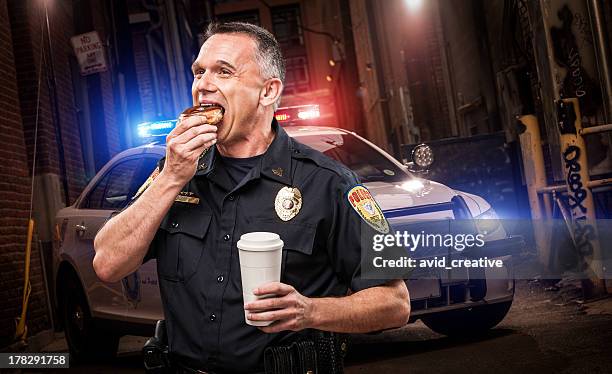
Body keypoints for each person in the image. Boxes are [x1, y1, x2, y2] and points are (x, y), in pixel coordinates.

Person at [93, 21, 410, 373]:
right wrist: (171, 177)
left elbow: (395, 302)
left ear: (268, 91)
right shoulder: (174, 173)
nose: (203, 86)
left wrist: (310, 311)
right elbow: (108, 263)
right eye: (199, 72)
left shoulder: (329, 183)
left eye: (223, 72)